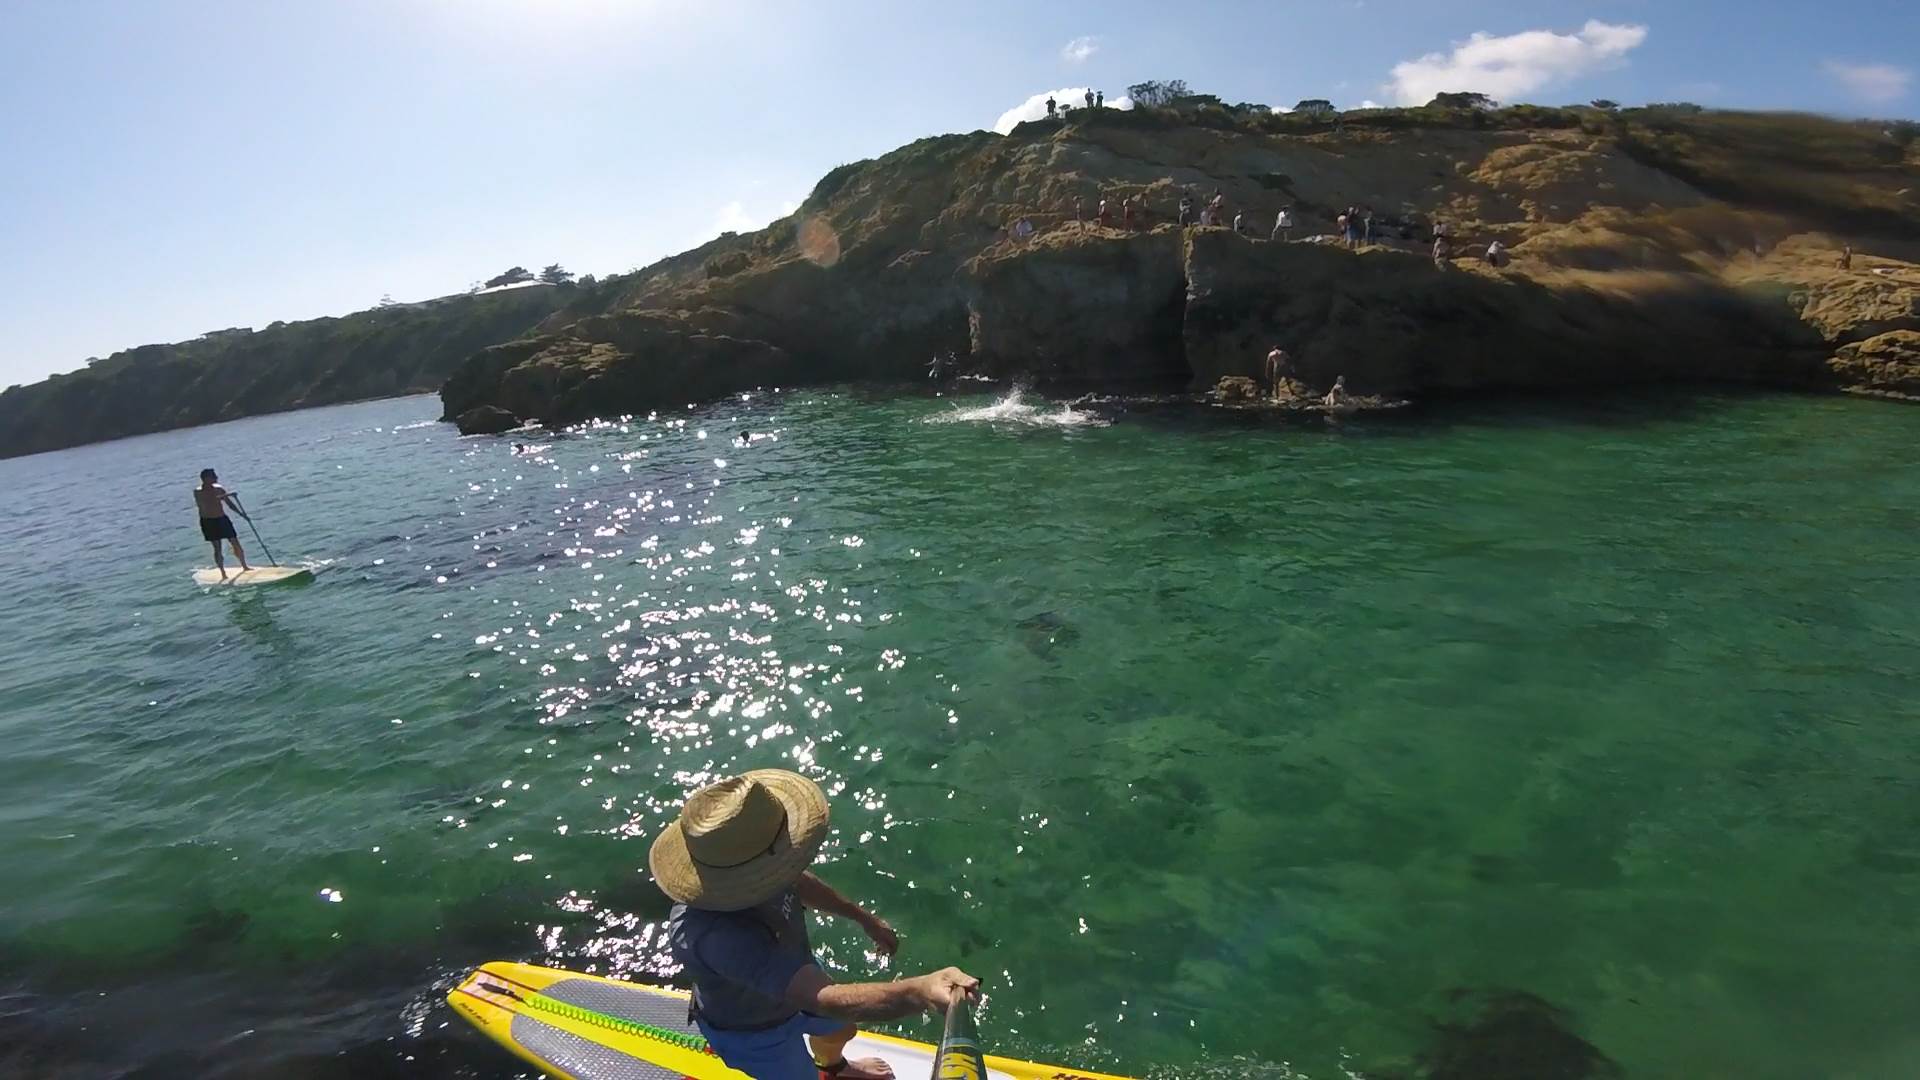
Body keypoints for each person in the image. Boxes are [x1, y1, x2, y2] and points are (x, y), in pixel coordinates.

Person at [654, 770, 979, 1080]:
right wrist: (919, 991)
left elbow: (795, 880)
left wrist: (863, 919)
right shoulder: (711, 935)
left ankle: (833, 1067)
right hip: (755, 1029)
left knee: (842, 1029)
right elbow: (820, 997)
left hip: (795, 975)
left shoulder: (755, 866)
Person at [194, 468, 251, 579]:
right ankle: (222, 572)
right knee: (217, 547)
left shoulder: (219, 489)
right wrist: (221, 496)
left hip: (222, 519)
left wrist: (242, 515)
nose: (216, 478)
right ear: (206, 479)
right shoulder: (198, 492)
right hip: (209, 522)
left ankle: (244, 566)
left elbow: (230, 504)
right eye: (213, 476)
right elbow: (205, 501)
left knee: (235, 542)